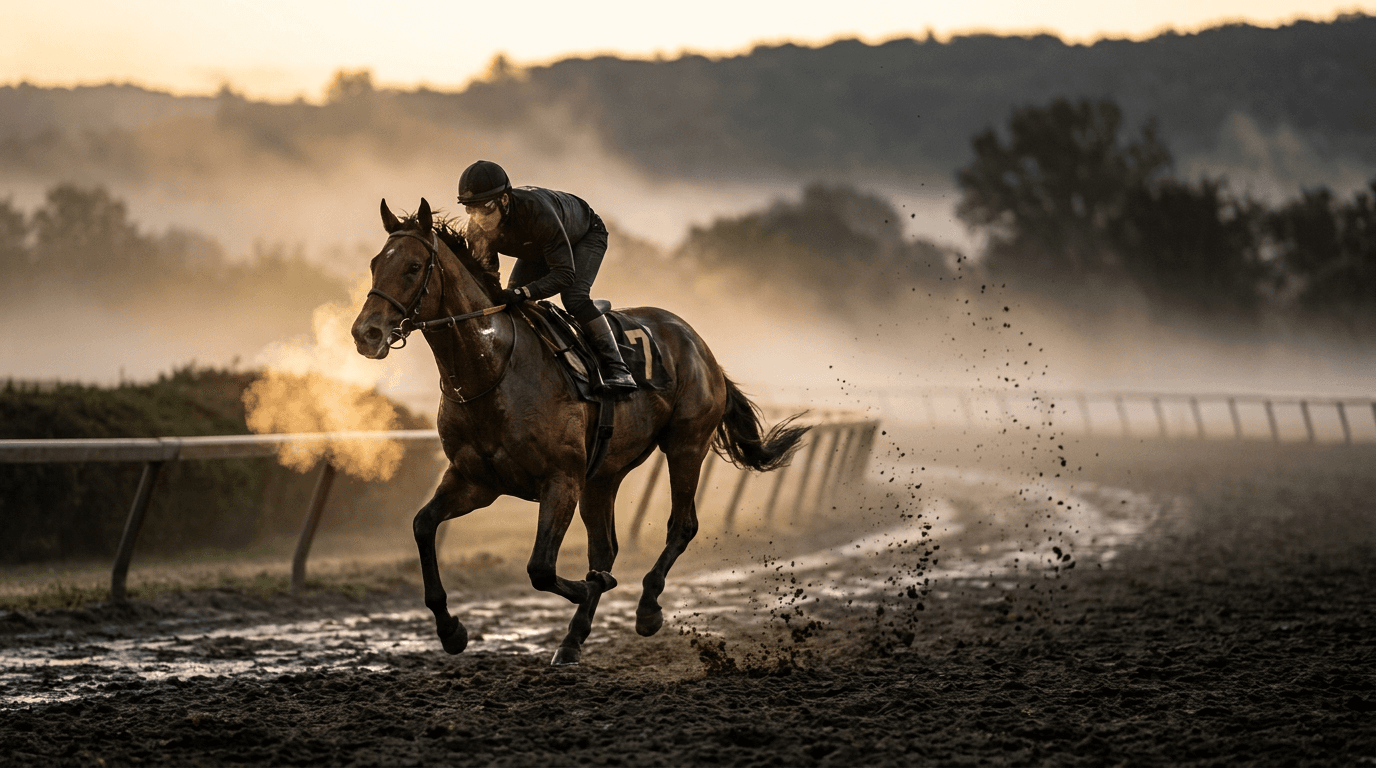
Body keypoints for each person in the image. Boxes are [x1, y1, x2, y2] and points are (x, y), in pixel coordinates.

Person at [457, 160, 637, 395]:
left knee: (574, 298)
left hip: (583, 235)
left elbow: (564, 274)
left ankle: (618, 368)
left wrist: (522, 292)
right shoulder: (477, 229)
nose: (479, 218)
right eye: (470, 208)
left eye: (486, 207)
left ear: (504, 199)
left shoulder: (536, 212)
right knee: (509, 305)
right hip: (539, 247)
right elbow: (488, 281)